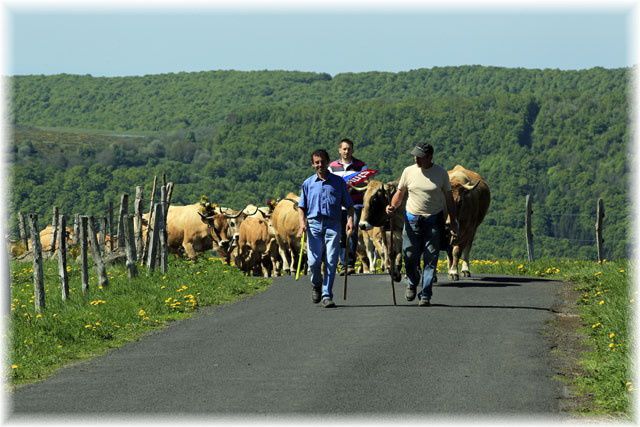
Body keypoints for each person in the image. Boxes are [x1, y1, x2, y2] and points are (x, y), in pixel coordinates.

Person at [385, 142, 458, 306]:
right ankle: (412, 282)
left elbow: (449, 198)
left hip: (434, 219)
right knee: (409, 254)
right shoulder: (408, 171)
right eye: (415, 156)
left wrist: (453, 221)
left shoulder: (440, 173)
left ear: (430, 157)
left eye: (420, 156)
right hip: (412, 218)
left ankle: (425, 294)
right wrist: (392, 206)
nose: (416, 159)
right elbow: (400, 192)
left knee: (431, 257)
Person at [298, 149, 355, 308]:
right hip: (314, 225)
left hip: (333, 225)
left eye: (322, 161)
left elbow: (349, 206)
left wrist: (350, 220)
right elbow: (302, 207)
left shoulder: (338, 182)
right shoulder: (307, 184)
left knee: (331, 261)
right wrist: (302, 223)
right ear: (312, 164)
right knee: (314, 262)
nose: (320, 165)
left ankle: (326, 294)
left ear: (328, 162)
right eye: (317, 162)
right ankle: (316, 284)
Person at [328, 138, 367, 276]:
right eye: (344, 149)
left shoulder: (361, 166)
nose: (346, 151)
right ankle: (343, 263)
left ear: (353, 150)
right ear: (339, 150)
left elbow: (365, 185)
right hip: (338, 206)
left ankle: (350, 262)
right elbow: (328, 184)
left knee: (352, 232)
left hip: (355, 204)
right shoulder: (332, 167)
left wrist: (353, 187)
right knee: (340, 234)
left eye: (349, 149)